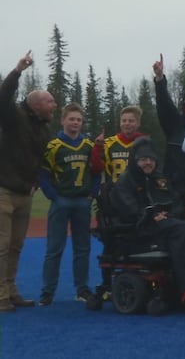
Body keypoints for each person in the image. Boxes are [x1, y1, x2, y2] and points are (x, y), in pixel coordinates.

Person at [110, 137, 185, 305]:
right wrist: (152, 215)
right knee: (182, 230)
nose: (148, 163)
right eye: (143, 160)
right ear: (135, 161)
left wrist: (169, 214)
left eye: (151, 159)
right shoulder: (124, 183)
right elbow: (131, 211)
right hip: (139, 231)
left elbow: (176, 203)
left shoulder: (159, 179)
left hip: (165, 224)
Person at [0, 51, 56, 312]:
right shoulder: (14, 118)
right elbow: (3, 97)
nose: (54, 106)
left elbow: (38, 159)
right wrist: (17, 71)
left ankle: (10, 291)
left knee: (15, 246)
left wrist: (34, 182)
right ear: (37, 105)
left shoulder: (42, 128)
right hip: (3, 190)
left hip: (24, 193)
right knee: (1, 246)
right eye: (51, 102)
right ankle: (0, 296)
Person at [38, 103, 101, 306]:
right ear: (63, 120)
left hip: (82, 201)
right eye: (71, 119)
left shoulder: (88, 146)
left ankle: (82, 289)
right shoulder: (53, 146)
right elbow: (43, 173)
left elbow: (96, 172)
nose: (75, 122)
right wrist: (53, 196)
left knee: (83, 248)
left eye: (78, 119)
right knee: (54, 248)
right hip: (62, 200)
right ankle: (48, 291)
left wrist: (92, 194)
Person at [152, 54, 185, 210]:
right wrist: (160, 78)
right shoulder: (174, 124)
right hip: (175, 188)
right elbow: (164, 104)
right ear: (184, 106)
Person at [90, 105, 148, 188]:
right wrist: (97, 147)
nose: (127, 123)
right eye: (124, 121)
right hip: (115, 192)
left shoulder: (145, 143)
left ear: (138, 123)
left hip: (138, 193)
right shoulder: (108, 143)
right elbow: (96, 168)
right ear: (120, 123)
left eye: (131, 121)